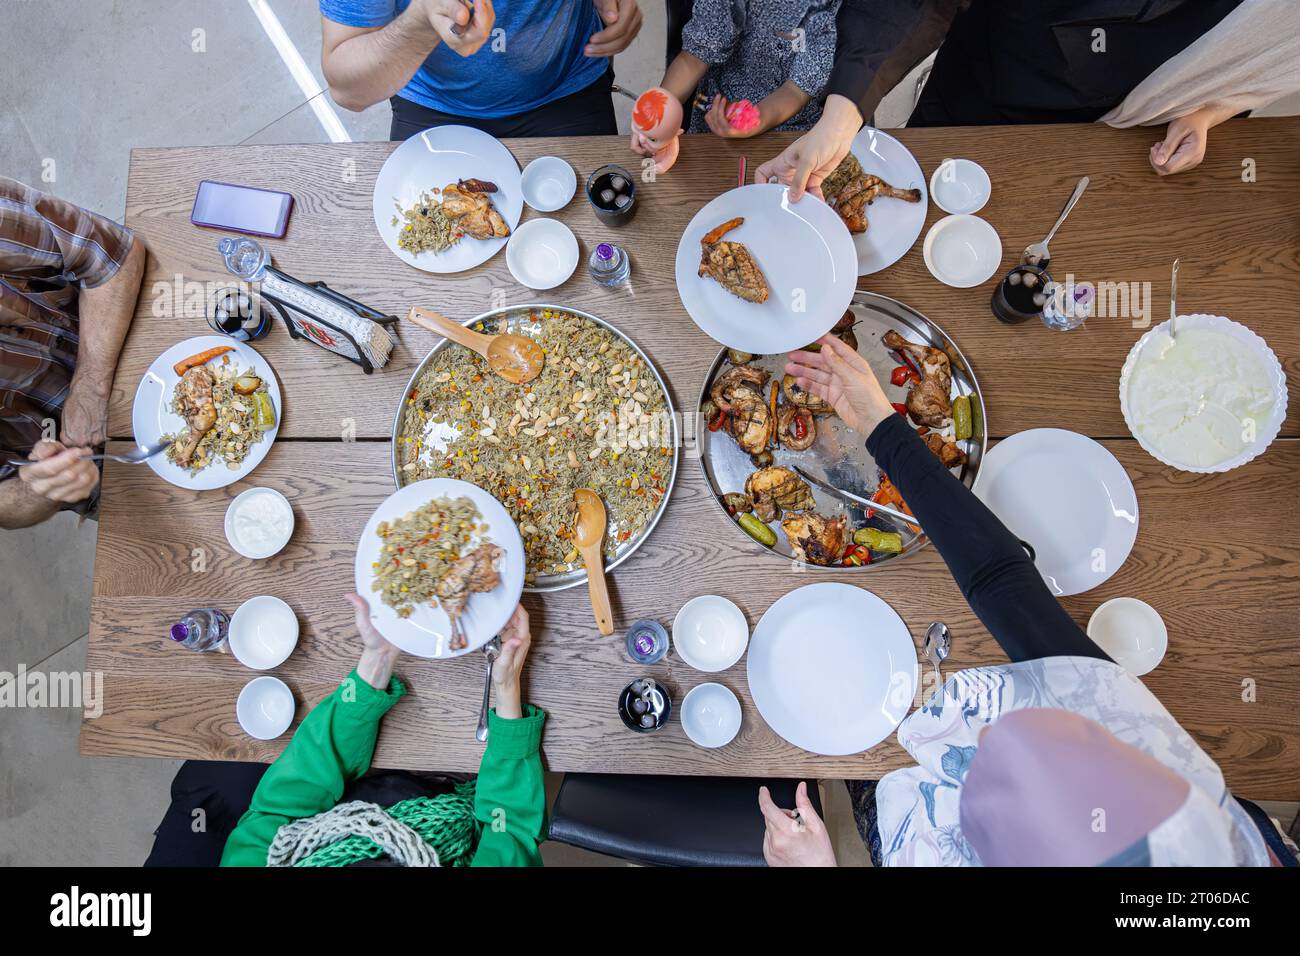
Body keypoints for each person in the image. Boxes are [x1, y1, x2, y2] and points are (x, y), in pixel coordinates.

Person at [757, 334, 1299, 867]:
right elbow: (1000, 579)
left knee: (859, 772)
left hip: (908, 835)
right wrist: (881, 426)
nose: (992, 732)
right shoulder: (1163, 784)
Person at [146, 597, 546, 867]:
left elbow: (286, 799)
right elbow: (506, 829)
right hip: (458, 788)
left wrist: (372, 666)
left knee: (213, 778)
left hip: (356, 776)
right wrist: (507, 688)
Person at [757, 0, 1298, 198]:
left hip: (1128, 128)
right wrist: (842, 113)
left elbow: (1253, 52)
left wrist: (1208, 110)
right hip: (1001, 60)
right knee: (928, 173)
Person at [0, 176, 144, 529]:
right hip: (110, 475)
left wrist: (91, 388)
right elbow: (6, 507)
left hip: (140, 331)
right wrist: (41, 489)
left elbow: (110, 255)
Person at [320, 0, 644, 141]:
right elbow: (348, 89)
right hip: (434, 102)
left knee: (598, 238)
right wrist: (421, 23)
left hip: (566, 85)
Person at [631, 0, 840, 161]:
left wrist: (754, 121)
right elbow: (694, 56)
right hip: (716, 116)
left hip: (793, 127)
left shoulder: (830, 8)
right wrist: (657, 118)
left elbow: (796, 90)